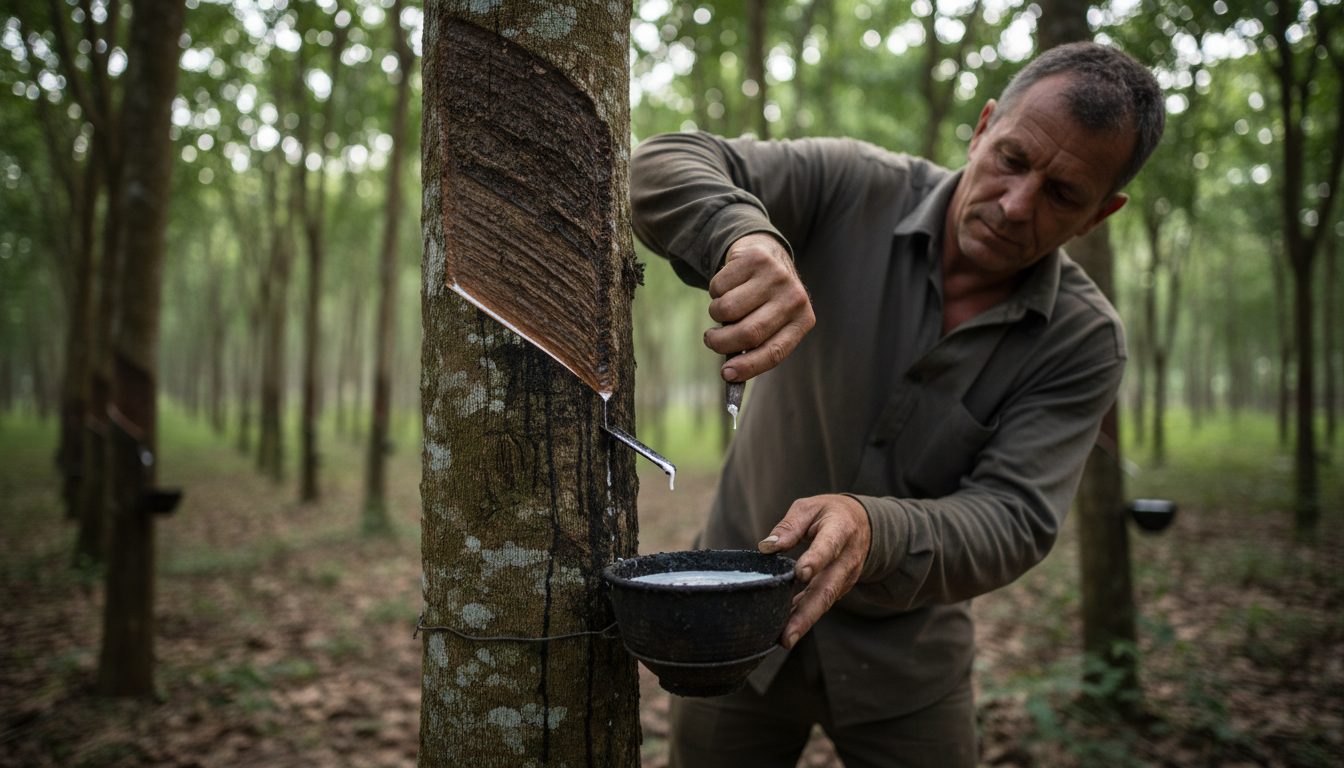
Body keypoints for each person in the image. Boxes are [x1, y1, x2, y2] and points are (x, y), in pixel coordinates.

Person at [629, 41, 1165, 767]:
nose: (1016, 205)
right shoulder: (852, 186)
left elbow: (1014, 518)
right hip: (731, 624)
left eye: (1063, 194)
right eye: (1011, 159)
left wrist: (871, 530)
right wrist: (743, 233)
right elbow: (661, 162)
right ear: (981, 130)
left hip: (907, 667)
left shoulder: (1081, 339)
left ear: (1101, 214)